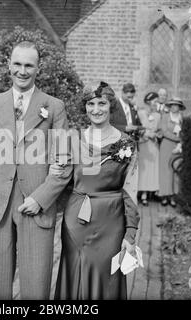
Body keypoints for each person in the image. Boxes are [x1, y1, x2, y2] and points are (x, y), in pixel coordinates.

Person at [0, 41, 72, 299]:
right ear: (8, 65)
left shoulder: (54, 106)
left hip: (35, 206)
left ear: (38, 69)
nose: (22, 71)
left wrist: (41, 199)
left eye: (28, 65)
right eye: (17, 64)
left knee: (36, 285)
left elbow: (64, 160)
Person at [52, 81, 140, 300]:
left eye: (101, 103)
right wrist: (54, 168)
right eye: (91, 104)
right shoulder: (73, 139)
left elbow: (131, 190)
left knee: (107, 279)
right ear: (85, 106)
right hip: (76, 221)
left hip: (111, 221)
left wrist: (130, 232)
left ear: (110, 105)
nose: (96, 109)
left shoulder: (127, 144)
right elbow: (61, 178)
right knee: (75, 276)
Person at [158, 97, 185, 207]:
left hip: (177, 147)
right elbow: (164, 131)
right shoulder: (165, 117)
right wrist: (178, 138)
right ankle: (165, 196)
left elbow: (184, 131)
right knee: (165, 170)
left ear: (179, 107)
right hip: (166, 145)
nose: (174, 107)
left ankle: (173, 197)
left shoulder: (182, 118)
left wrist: (180, 142)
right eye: (172, 105)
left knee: (175, 170)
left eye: (176, 105)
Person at [137, 92, 161, 206]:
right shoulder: (140, 113)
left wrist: (157, 134)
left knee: (152, 170)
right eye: (154, 101)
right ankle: (141, 193)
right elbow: (137, 127)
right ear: (148, 102)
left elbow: (159, 129)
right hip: (143, 144)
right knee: (143, 169)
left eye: (157, 102)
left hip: (153, 145)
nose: (156, 104)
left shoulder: (157, 115)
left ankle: (148, 193)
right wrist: (146, 133)